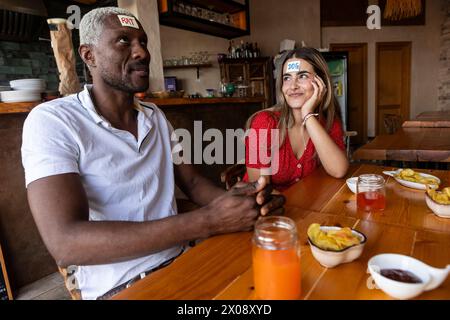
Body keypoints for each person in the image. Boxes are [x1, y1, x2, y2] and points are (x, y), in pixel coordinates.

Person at [21, 7, 285, 300]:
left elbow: (194, 184)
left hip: (184, 261)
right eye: (124, 41)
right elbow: (65, 243)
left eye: (143, 41)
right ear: (88, 55)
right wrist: (208, 221)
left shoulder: (154, 116)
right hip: (122, 286)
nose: (142, 53)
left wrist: (248, 203)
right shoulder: (54, 121)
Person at [243, 48, 349, 191]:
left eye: (302, 76)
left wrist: (308, 115)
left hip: (305, 204)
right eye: (287, 78)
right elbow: (259, 189)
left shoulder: (329, 121)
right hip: (270, 209)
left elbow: (339, 170)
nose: (293, 86)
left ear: (321, 82)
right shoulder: (264, 122)